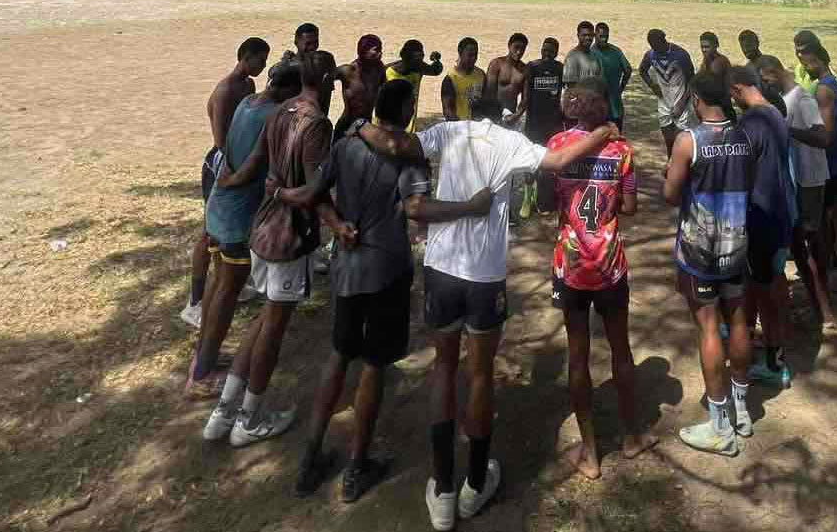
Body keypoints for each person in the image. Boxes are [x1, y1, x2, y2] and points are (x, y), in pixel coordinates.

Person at [352, 96, 617, 531]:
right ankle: (475, 484)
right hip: (485, 276)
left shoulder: (448, 132)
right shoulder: (511, 142)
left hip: (442, 268)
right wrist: (603, 133)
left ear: (470, 114)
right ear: (498, 117)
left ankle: (442, 490)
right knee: (479, 373)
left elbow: (395, 144)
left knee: (443, 369)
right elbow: (560, 159)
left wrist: (360, 123)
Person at [285, 78, 494, 501]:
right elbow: (418, 208)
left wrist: (336, 225)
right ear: (408, 109)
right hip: (387, 272)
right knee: (375, 365)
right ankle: (356, 466)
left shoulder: (345, 145)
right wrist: (470, 207)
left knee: (339, 355)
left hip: (347, 269)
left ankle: (310, 459)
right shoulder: (407, 156)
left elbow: (315, 194)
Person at [201, 55, 333, 448]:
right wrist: (339, 221)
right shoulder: (316, 122)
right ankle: (250, 418)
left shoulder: (279, 111)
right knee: (273, 330)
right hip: (287, 235)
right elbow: (313, 189)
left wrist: (253, 185)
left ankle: (224, 412)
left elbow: (258, 161)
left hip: (261, 227)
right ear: (326, 79)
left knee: (263, 320)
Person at [549, 77, 657, 480]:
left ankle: (591, 453)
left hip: (571, 263)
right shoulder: (622, 151)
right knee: (620, 348)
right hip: (610, 264)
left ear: (575, 107)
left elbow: (548, 200)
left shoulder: (558, 146)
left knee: (578, 354)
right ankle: (631, 436)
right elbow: (629, 207)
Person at [184, 60, 303, 400]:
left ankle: (203, 359)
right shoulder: (274, 116)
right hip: (237, 217)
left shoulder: (248, 102)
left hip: (220, 210)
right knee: (226, 292)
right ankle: (201, 376)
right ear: (287, 90)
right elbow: (253, 166)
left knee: (219, 286)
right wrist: (236, 181)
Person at [663, 71, 754, 457]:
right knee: (739, 322)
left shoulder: (689, 140)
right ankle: (742, 410)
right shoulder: (744, 137)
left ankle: (719, 427)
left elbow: (670, 194)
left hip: (700, 252)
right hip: (737, 245)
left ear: (697, 99)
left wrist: (672, 174)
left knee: (709, 329)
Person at [181, 37, 270, 329]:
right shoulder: (225, 90)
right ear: (245, 57)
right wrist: (239, 168)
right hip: (221, 164)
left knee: (228, 233)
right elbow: (220, 139)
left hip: (237, 162)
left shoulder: (248, 86)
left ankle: (226, 284)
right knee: (209, 233)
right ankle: (195, 302)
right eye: (260, 59)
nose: (263, 65)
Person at [725, 65, 799, 391]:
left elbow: (739, 168)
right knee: (761, 286)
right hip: (781, 212)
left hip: (762, 216)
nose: (733, 100)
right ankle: (759, 342)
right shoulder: (774, 114)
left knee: (766, 292)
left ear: (737, 89)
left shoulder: (751, 122)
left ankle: (775, 364)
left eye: (732, 95)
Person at [757, 55, 833, 331]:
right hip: (797, 178)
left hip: (811, 178)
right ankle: (819, 303)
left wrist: (788, 130)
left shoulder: (802, 99)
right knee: (802, 244)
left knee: (809, 242)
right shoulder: (785, 98)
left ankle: (824, 305)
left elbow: (823, 138)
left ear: (774, 71)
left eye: (765, 80)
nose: (765, 86)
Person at [798, 41, 837, 308]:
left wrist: (793, 132)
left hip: (834, 166)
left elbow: (825, 138)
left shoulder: (823, 88)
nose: (804, 67)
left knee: (830, 225)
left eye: (805, 61)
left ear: (817, 59)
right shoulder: (836, 82)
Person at [515, 37, 566, 219]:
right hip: (534, 123)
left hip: (552, 124)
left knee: (547, 164)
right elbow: (525, 95)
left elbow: (566, 93)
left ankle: (540, 196)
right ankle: (527, 198)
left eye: (551, 50)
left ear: (556, 52)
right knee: (530, 162)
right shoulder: (532, 67)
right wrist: (517, 114)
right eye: (545, 49)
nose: (547, 53)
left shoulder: (560, 68)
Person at [637, 29, 696, 157]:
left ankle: (683, 165)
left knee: (680, 142)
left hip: (681, 101)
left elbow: (692, 81)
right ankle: (671, 163)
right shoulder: (651, 55)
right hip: (664, 102)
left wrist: (682, 103)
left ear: (663, 40)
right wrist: (652, 85)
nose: (655, 49)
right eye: (652, 46)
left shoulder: (680, 55)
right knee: (669, 142)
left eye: (656, 45)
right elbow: (642, 70)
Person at [269, 23, 338, 117]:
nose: (312, 47)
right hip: (291, 119)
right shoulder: (285, 68)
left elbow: (326, 96)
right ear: (296, 42)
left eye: (316, 42)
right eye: (308, 43)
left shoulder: (324, 63)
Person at [334, 35, 386, 143]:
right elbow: (323, 76)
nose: (380, 54)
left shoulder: (379, 69)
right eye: (376, 50)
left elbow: (383, 94)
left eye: (381, 50)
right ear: (363, 51)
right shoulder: (348, 71)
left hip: (367, 126)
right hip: (346, 125)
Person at [385, 39, 444, 132]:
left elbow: (436, 70)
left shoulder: (418, 68)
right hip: (387, 126)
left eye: (421, 58)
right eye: (416, 60)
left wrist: (436, 60)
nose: (419, 63)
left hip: (408, 128)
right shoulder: (386, 72)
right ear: (405, 57)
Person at [590, 22, 633, 131]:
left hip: (613, 106)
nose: (604, 39)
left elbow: (628, 70)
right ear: (595, 35)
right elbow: (627, 70)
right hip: (599, 106)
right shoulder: (590, 53)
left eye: (606, 36)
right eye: (601, 36)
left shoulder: (614, 51)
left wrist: (620, 88)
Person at [738, 29, 786, 117]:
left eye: (748, 46)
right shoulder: (747, 69)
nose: (746, 50)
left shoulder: (770, 62)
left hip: (777, 110)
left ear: (757, 43)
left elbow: (782, 87)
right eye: (742, 47)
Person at [441, 37, 487, 121]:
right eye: (470, 55)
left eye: (475, 55)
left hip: (477, 125)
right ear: (460, 53)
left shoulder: (481, 74)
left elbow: (486, 101)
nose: (473, 58)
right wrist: (461, 125)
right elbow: (448, 112)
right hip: (459, 126)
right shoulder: (450, 79)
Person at [487, 33, 529, 123]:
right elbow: (489, 92)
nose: (519, 52)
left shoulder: (525, 70)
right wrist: (494, 113)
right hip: (494, 114)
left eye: (522, 49)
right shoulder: (497, 64)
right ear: (509, 46)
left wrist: (517, 115)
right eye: (516, 47)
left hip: (511, 116)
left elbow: (525, 99)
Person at [562, 21, 603, 88]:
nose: (587, 38)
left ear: (593, 36)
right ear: (578, 36)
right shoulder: (571, 57)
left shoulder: (596, 56)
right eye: (584, 35)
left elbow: (600, 81)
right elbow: (571, 87)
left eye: (590, 35)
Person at [793, 30, 833, 95]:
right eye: (797, 51)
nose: (799, 55)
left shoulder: (823, 89)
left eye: (804, 52)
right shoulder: (829, 78)